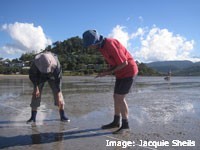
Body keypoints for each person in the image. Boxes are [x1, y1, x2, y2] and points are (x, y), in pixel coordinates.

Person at [82, 30, 138, 134]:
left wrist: (108, 72)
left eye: (90, 45)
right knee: (115, 97)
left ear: (95, 42)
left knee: (119, 97)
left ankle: (125, 125)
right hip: (120, 73)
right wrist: (105, 72)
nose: (89, 47)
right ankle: (116, 121)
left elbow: (124, 63)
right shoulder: (101, 48)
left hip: (129, 71)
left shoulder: (110, 44)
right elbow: (114, 64)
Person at [27, 52, 70, 124]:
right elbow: (32, 76)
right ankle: (33, 117)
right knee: (36, 94)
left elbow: (58, 79)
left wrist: (59, 92)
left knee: (58, 94)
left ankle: (62, 115)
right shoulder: (35, 64)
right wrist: (35, 87)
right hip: (39, 76)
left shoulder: (56, 65)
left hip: (52, 76)